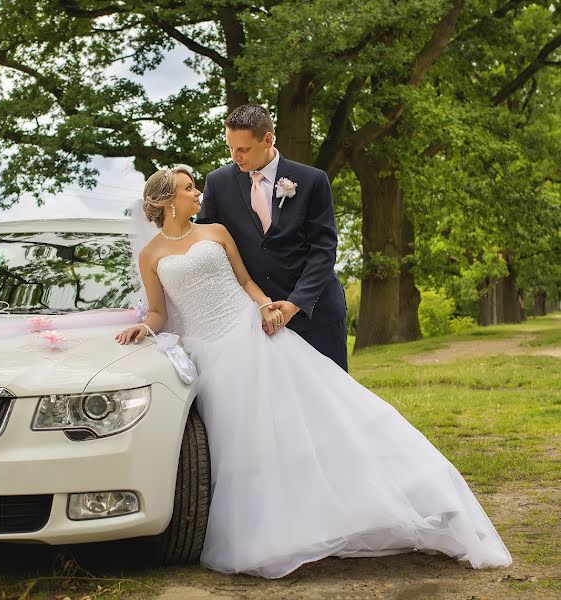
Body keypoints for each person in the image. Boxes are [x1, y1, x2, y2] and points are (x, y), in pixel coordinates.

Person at [115, 166, 512, 579]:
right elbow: (160, 312)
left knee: (318, 415)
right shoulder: (152, 255)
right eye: (187, 188)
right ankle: (274, 531)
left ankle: (402, 496)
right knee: (242, 444)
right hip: (207, 354)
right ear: (166, 201)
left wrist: (268, 305)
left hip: (249, 332)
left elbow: (246, 280)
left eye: (195, 186)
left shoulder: (215, 232)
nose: (197, 192)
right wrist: (143, 327)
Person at [197, 104, 348, 371]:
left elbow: (323, 250)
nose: (235, 157)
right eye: (230, 148)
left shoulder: (313, 180)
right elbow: (208, 252)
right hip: (255, 319)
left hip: (316, 313)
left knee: (328, 401)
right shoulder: (217, 183)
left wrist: (295, 304)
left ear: (267, 139)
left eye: (243, 149)